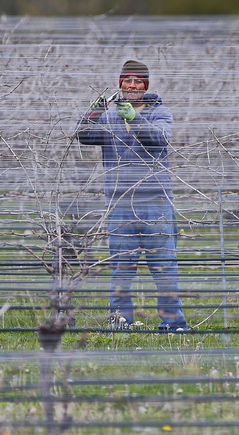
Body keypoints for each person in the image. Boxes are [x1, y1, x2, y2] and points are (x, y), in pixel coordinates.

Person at [75, 59, 188, 331]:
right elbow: (84, 137)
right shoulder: (109, 117)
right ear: (121, 84)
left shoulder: (161, 113)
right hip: (120, 205)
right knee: (121, 269)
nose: (133, 85)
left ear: (146, 86)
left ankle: (174, 325)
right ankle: (121, 322)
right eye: (128, 81)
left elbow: (159, 140)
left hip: (155, 203)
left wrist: (134, 119)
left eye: (138, 81)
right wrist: (92, 114)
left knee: (164, 268)